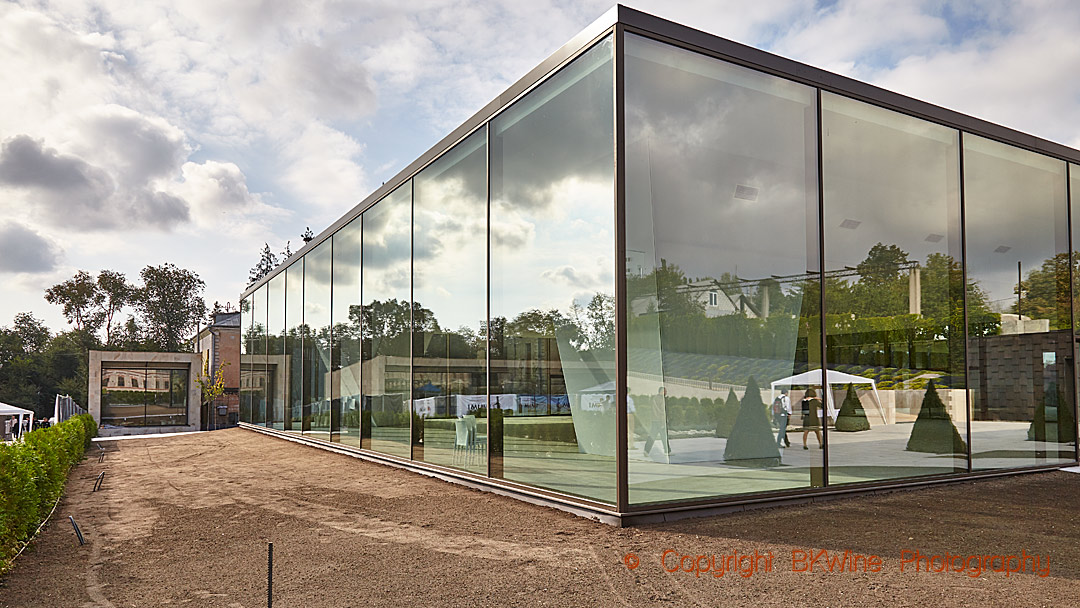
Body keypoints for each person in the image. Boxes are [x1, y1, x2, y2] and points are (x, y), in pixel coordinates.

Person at [643, 386, 672, 456]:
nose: (666, 392)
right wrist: (663, 421)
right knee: (664, 437)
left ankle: (646, 450)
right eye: (665, 391)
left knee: (652, 436)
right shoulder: (661, 400)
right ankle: (667, 451)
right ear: (661, 391)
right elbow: (662, 412)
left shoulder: (654, 399)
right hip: (660, 420)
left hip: (654, 420)